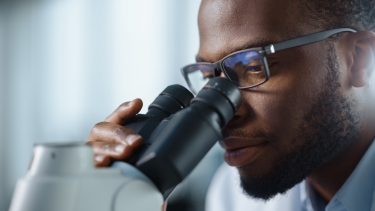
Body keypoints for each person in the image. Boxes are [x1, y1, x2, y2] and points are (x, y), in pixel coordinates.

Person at [87, 0, 375, 210]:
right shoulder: (230, 196)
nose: (226, 114)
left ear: (357, 59)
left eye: (253, 66)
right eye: (208, 77)